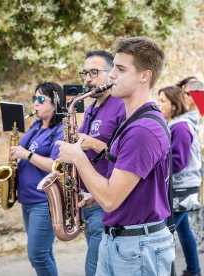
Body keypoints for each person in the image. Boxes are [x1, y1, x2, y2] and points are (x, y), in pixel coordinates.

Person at [55, 37, 175, 275]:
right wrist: (96, 197)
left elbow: (111, 199)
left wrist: (78, 157)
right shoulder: (133, 123)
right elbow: (121, 191)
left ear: (145, 76)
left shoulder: (142, 130)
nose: (111, 76)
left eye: (120, 69)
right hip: (123, 242)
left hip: (136, 247)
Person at [77, 50, 125, 276]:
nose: (88, 78)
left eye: (94, 72)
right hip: (88, 200)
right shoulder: (90, 108)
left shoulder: (121, 105)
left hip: (106, 201)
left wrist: (94, 144)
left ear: (111, 74)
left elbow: (126, 155)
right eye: (85, 73)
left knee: (94, 270)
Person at [10, 81, 66, 276]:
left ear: (55, 103)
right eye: (34, 99)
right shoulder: (35, 126)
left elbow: (55, 165)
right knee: (44, 253)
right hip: (27, 199)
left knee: (37, 255)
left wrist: (26, 155)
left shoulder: (60, 130)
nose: (35, 103)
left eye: (41, 99)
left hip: (44, 201)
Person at [157, 85, 202, 276]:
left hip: (182, 188)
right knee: (184, 231)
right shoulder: (174, 124)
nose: (157, 104)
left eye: (162, 101)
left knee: (164, 236)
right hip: (181, 186)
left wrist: (154, 166)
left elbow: (178, 162)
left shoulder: (181, 127)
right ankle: (194, 270)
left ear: (174, 105)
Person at [178, 77, 204, 253]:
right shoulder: (184, 113)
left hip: (202, 167)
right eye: (184, 93)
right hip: (189, 167)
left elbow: (203, 143)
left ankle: (202, 239)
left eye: (188, 94)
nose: (185, 97)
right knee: (191, 207)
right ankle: (203, 234)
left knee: (202, 206)